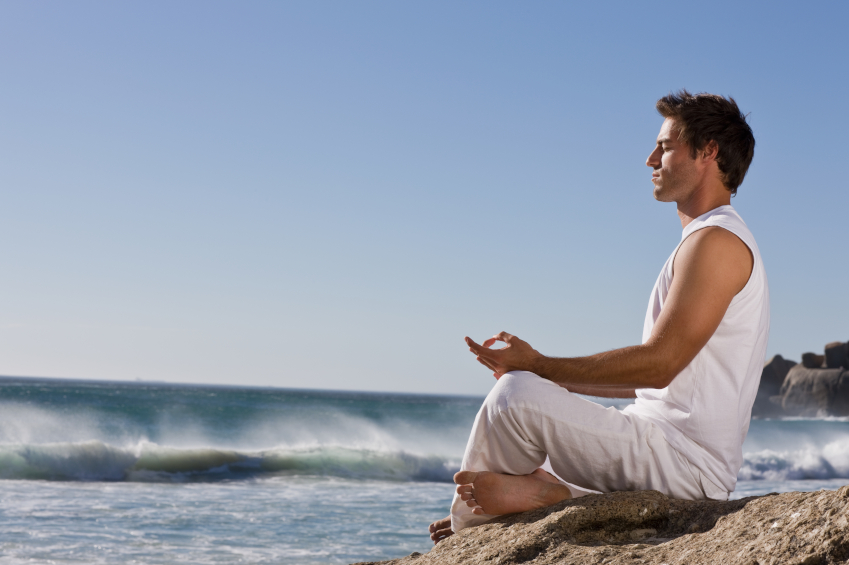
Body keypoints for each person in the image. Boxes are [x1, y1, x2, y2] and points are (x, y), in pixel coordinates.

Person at [429, 90, 768, 544]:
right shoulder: (708, 241)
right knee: (531, 409)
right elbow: (654, 379)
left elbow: (659, 364)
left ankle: (470, 535)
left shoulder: (716, 243)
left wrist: (537, 367)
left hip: (684, 463)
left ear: (708, 151)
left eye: (665, 147)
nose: (650, 159)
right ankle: (547, 494)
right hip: (665, 449)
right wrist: (551, 378)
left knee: (514, 398)